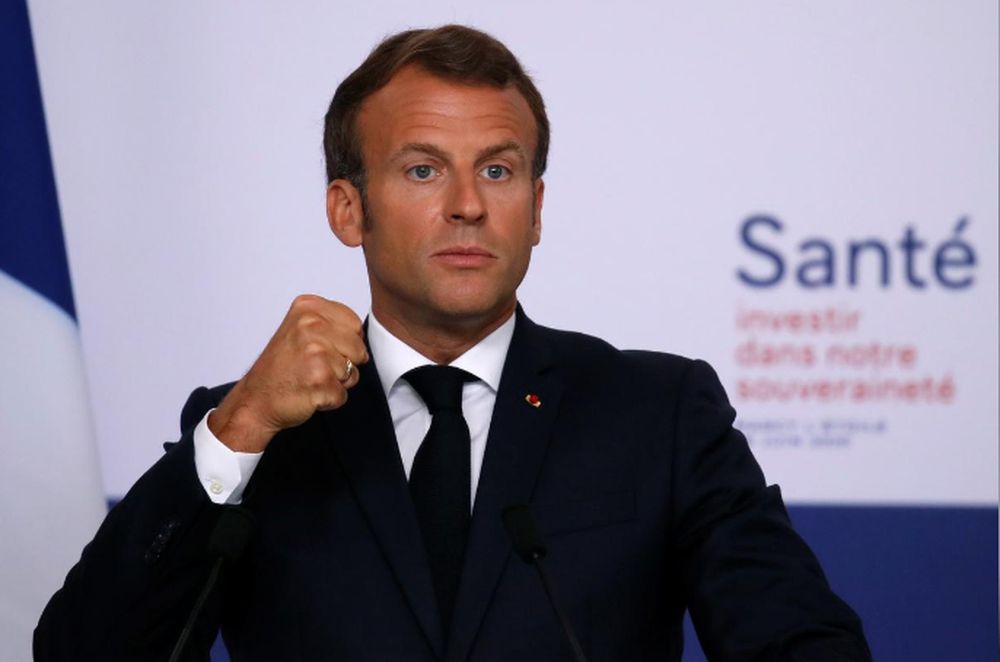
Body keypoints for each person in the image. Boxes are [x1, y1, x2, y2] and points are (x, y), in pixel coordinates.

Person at [35, 24, 871, 661]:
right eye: (424, 169)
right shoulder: (256, 432)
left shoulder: (660, 414)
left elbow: (801, 643)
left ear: (537, 209)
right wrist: (242, 425)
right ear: (347, 210)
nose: (469, 204)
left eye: (499, 171)